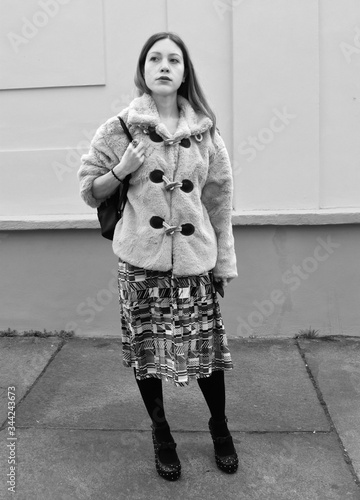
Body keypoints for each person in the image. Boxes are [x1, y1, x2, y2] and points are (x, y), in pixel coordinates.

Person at [78, 32, 238, 481]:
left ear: (185, 72)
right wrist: (122, 169)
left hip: (193, 263)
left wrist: (223, 262)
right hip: (140, 265)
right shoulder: (118, 128)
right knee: (148, 353)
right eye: (155, 58)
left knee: (205, 352)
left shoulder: (206, 132)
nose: (164, 65)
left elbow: (220, 203)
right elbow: (90, 191)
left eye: (174, 59)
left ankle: (219, 427)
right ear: (143, 70)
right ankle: (161, 431)